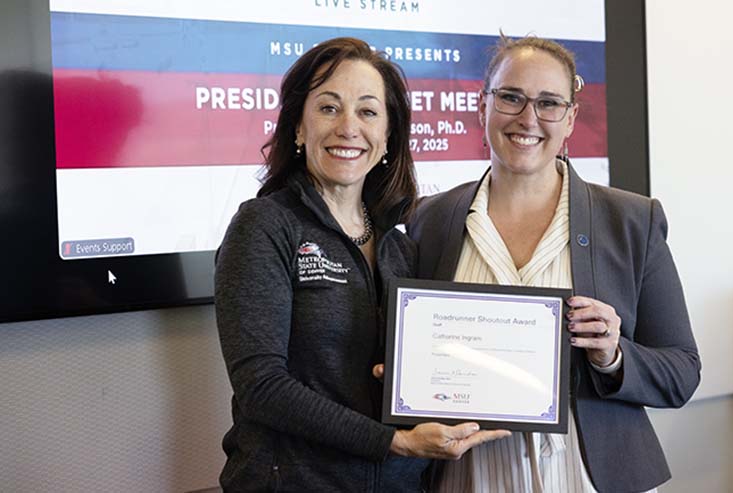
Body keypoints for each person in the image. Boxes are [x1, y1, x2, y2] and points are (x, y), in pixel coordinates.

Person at [406, 34, 702, 492]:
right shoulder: (431, 220)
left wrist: (613, 355)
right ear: (482, 105)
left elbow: (681, 372)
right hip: (476, 478)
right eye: (511, 98)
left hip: (588, 479)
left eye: (549, 103)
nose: (528, 119)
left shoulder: (631, 220)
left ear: (570, 119)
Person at [214, 37, 508, 492]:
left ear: (388, 135)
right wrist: (394, 442)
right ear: (297, 126)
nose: (348, 127)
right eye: (329, 108)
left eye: (368, 112)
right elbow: (261, 387)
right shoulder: (265, 226)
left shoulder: (399, 243)